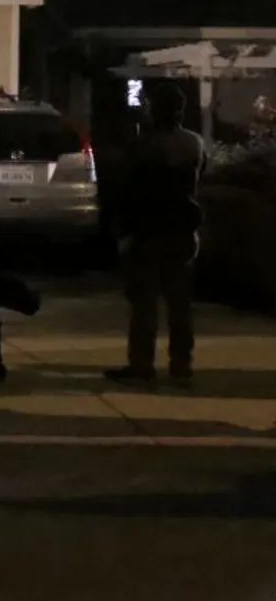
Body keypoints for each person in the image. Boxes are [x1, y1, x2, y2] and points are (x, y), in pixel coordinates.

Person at [107, 83, 206, 386]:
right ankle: (181, 364)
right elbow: (201, 179)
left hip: (148, 229)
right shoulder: (194, 143)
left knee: (145, 302)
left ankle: (141, 363)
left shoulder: (142, 146)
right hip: (183, 227)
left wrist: (123, 231)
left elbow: (127, 190)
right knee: (179, 303)